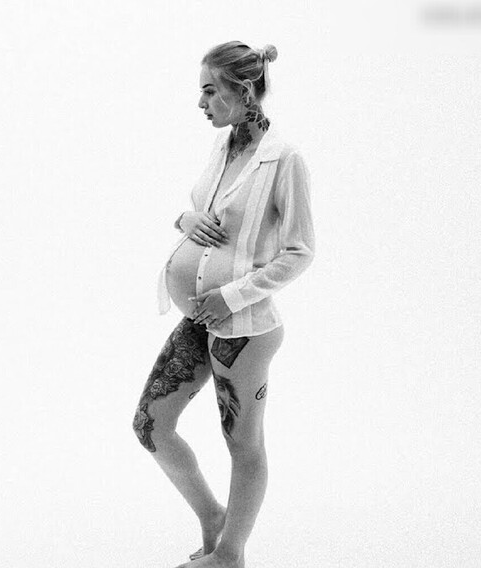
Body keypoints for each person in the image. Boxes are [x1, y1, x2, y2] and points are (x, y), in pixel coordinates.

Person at [133, 41, 315, 568]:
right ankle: (214, 519)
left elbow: (300, 252)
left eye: (210, 91)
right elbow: (205, 211)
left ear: (244, 90)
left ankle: (230, 554)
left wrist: (231, 295)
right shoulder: (223, 146)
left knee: (243, 445)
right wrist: (185, 220)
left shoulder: (284, 159)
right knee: (150, 424)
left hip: (245, 329)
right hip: (200, 320)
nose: (201, 102)